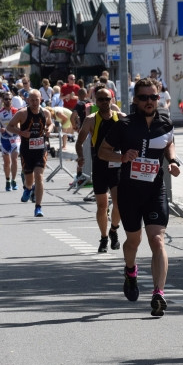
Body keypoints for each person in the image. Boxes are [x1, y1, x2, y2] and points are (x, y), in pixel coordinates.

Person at [98, 78, 180, 317]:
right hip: (129, 192)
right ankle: (130, 271)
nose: (149, 102)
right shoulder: (124, 125)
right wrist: (122, 158)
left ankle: (158, 293)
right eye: (144, 98)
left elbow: (169, 143)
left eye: (153, 97)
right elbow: (103, 151)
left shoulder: (166, 122)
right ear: (135, 100)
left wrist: (172, 161)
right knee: (133, 241)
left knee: (157, 241)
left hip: (155, 190)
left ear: (158, 98)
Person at [77, 85, 124, 253]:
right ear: (95, 101)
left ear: (112, 100)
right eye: (101, 99)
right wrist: (80, 157)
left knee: (119, 203)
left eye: (107, 99)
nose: (104, 102)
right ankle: (104, 237)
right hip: (99, 166)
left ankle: (114, 230)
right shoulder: (91, 119)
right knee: (102, 206)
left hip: (117, 165)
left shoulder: (120, 117)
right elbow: (79, 141)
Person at [6, 89, 52, 217]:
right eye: (32, 100)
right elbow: (9, 127)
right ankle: (27, 188)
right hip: (27, 150)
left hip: (40, 150)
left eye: (37, 99)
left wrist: (49, 129)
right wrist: (21, 133)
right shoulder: (22, 113)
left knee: (39, 176)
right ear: (27, 100)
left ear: (41, 99)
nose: (34, 102)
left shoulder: (46, 112)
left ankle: (38, 207)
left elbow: (50, 124)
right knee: (29, 179)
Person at [0, 93, 20, 191]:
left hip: (15, 138)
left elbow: (22, 123)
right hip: (4, 139)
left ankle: (14, 180)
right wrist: (0, 130)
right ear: (3, 100)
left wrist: (19, 129)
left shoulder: (17, 112)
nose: (8, 100)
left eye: (9, 99)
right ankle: (7, 180)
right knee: (6, 162)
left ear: (12, 100)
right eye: (6, 99)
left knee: (14, 158)